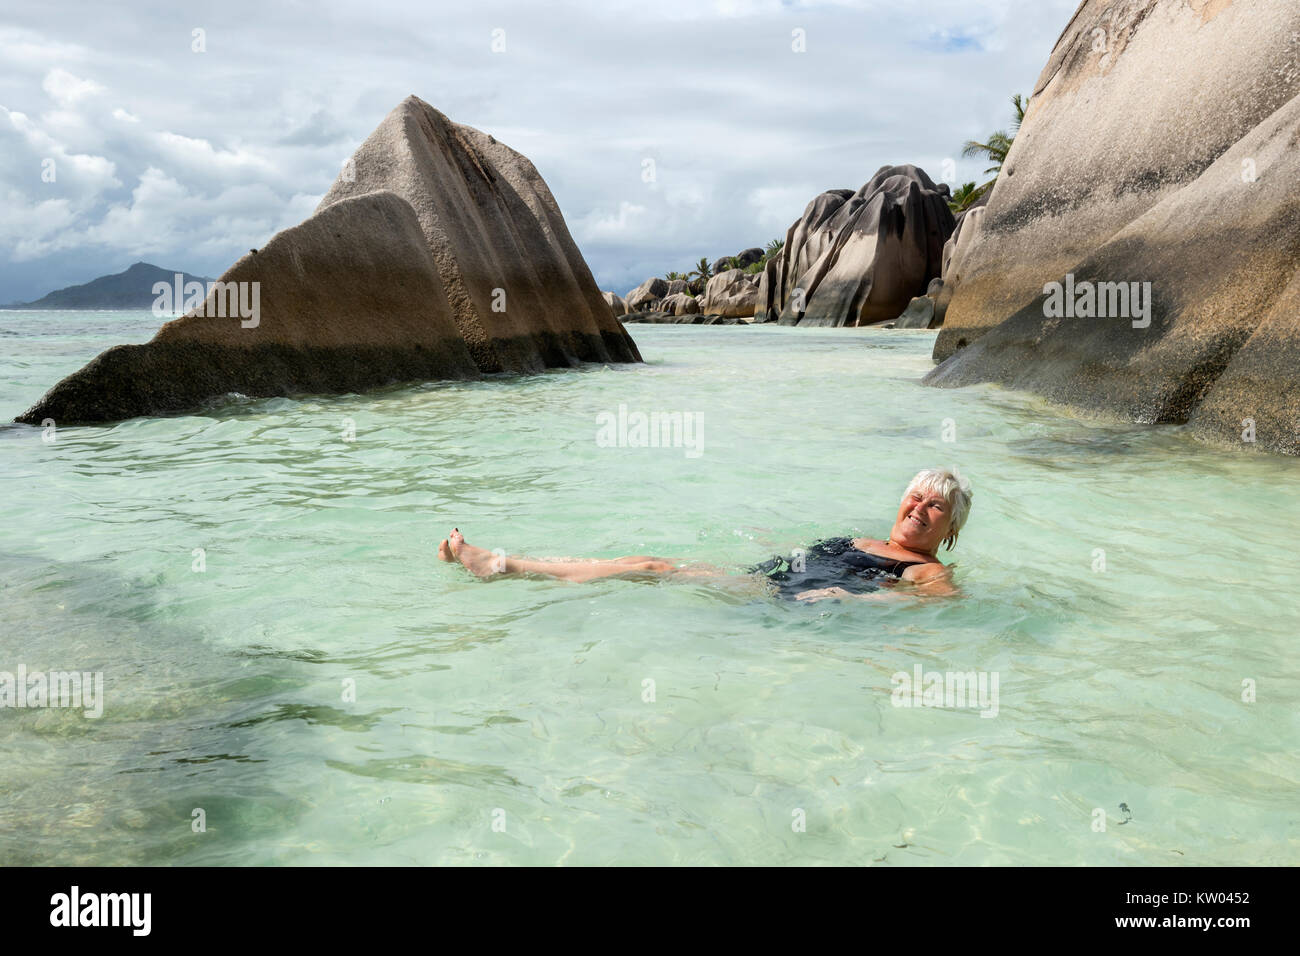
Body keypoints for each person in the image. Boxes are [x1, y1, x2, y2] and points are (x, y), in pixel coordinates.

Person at [437, 467, 972, 602]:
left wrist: (856, 604)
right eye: (916, 497)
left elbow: (936, 610)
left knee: (650, 570)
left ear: (949, 530)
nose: (921, 508)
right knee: (643, 559)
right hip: (768, 579)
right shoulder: (863, 537)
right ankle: (511, 564)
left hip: (784, 601)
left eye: (937, 506)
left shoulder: (929, 569)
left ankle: (497, 566)